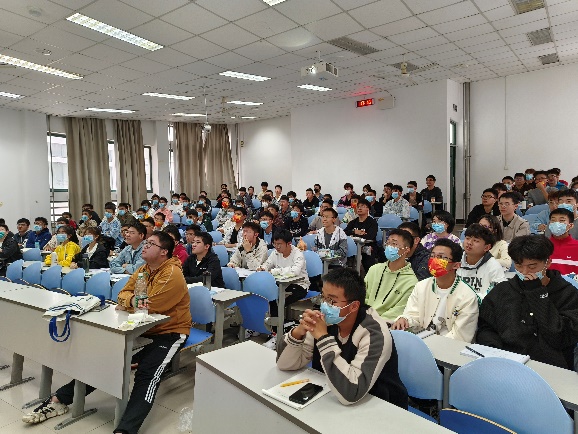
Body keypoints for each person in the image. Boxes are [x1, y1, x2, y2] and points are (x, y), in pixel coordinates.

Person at [23, 232, 192, 433]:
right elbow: (122, 294)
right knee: (105, 363)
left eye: (151, 243)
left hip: (169, 332)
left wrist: (130, 303)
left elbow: (152, 305)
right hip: (139, 328)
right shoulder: (144, 269)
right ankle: (58, 400)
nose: (145, 246)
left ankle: (125, 429)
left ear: (164, 251)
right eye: (146, 242)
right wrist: (132, 301)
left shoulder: (172, 273)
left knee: (147, 375)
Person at [277, 268, 408, 408]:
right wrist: (298, 332)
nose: (325, 305)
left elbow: (351, 392)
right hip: (332, 396)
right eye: (323, 297)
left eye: (332, 301)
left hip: (379, 404)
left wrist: (323, 338)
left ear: (354, 306)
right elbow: (285, 364)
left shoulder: (374, 333)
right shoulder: (326, 320)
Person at [476, 235, 578, 370]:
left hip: (550, 367)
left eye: (532, 266)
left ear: (548, 263)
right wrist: (493, 350)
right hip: (505, 363)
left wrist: (537, 294)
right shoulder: (503, 290)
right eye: (518, 266)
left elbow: (560, 337)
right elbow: (486, 327)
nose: (524, 272)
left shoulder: (567, 294)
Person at [392, 239, 479, 342]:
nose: (434, 260)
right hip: (422, 340)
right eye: (432, 256)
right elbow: (413, 315)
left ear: (456, 265)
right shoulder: (421, 286)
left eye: (441, 257)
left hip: (449, 346)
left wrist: (432, 343)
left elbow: (460, 336)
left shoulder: (467, 296)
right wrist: (405, 319)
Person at [258, 229, 310, 349]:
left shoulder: (298, 254)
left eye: (279, 244)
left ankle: (277, 335)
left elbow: (294, 271)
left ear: (288, 243)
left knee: (277, 302)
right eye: (275, 244)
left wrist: (274, 271)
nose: (276, 247)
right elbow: (267, 264)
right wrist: (262, 268)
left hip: (299, 285)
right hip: (281, 285)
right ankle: (268, 327)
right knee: (266, 297)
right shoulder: (275, 253)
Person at [364, 229, 418, 323]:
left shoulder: (411, 281)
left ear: (406, 249)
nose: (389, 247)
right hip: (364, 317)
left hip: (386, 323)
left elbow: (399, 309)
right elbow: (363, 295)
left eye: (394, 244)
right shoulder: (374, 269)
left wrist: (376, 321)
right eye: (388, 243)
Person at [457, 224, 506, 297]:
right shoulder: (455, 260)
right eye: (467, 238)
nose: (469, 243)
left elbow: (500, 292)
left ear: (487, 247)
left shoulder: (493, 266)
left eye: (476, 241)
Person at [343, 198, 379, 272]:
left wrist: (354, 235)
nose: (359, 208)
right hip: (354, 246)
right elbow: (344, 233)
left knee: (368, 262)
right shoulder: (353, 222)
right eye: (358, 206)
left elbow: (370, 236)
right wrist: (354, 232)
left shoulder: (372, 222)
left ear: (368, 209)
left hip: (368, 246)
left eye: (362, 206)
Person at [548, 208, 578, 274]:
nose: (556, 223)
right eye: (553, 220)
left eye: (561, 220)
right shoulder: (541, 246)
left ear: (571, 225)